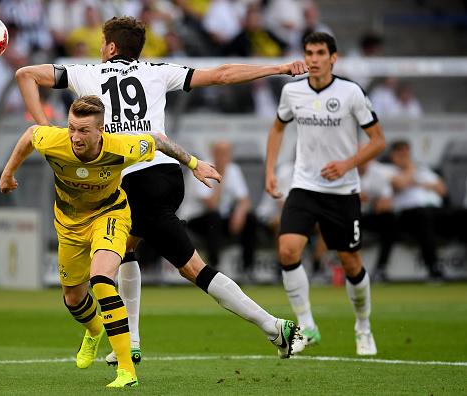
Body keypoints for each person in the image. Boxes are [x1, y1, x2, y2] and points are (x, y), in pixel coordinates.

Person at [16, 16, 308, 364]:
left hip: (133, 179)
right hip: (167, 174)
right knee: (125, 246)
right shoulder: (157, 70)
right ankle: (131, 342)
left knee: (190, 268)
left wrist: (45, 127)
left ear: (110, 47)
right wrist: (277, 67)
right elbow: (223, 74)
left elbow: (26, 74)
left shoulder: (86, 72)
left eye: (101, 42)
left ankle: (274, 326)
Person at [0, 95, 220, 388]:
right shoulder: (54, 140)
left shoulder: (121, 146)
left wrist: (194, 163)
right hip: (69, 224)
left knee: (102, 279)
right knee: (73, 298)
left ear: (101, 130)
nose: (75, 137)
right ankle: (94, 330)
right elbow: (29, 135)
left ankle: (126, 371)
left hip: (110, 214)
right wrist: (8, 171)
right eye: (72, 128)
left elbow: (158, 140)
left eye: (84, 131)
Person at [265, 32, 386, 356]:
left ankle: (363, 326)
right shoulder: (292, 91)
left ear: (334, 58)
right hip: (304, 185)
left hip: (343, 191)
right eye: (309, 52)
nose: (314, 59)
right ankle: (306, 325)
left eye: (320, 53)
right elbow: (277, 128)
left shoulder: (351, 93)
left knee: (350, 263)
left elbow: (378, 140)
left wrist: (348, 164)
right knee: (288, 250)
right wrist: (270, 171)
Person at [187, 141, 258, 280]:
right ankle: (214, 267)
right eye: (220, 153)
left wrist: (239, 213)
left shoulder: (234, 169)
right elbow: (212, 204)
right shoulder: (200, 167)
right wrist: (222, 175)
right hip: (196, 219)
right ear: (212, 153)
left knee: (250, 218)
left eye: (226, 153)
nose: (223, 157)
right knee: (214, 217)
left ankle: (248, 269)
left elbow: (245, 200)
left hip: (221, 218)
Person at [388, 140, 447, 280]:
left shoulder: (422, 169)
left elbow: (442, 190)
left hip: (434, 210)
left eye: (406, 151)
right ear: (393, 155)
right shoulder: (389, 170)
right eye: (401, 152)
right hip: (408, 215)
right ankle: (433, 268)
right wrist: (411, 170)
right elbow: (400, 185)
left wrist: (418, 182)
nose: (405, 155)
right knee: (423, 215)